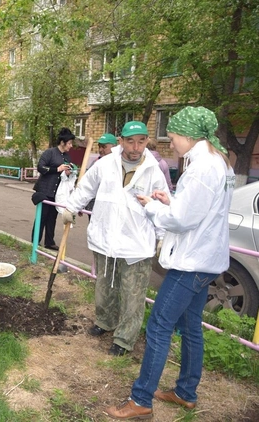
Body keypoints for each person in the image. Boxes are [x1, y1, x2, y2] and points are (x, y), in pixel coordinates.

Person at [104, 107, 235, 420]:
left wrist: (152, 207)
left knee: (159, 326)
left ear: (189, 135)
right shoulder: (217, 162)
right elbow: (196, 211)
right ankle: (185, 392)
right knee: (191, 327)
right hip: (205, 260)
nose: (170, 142)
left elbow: (180, 221)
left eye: (173, 136)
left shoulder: (203, 167)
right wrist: (170, 200)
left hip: (191, 263)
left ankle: (141, 400)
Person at [61, 121, 170, 356]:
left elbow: (162, 204)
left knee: (133, 295)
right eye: (130, 141)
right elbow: (86, 188)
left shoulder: (154, 170)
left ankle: (124, 338)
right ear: (120, 141)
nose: (135, 146)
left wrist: (162, 237)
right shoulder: (106, 163)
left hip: (136, 245)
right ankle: (105, 322)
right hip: (105, 238)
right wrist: (70, 207)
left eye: (141, 141)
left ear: (146, 142)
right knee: (104, 287)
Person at [31, 127, 75, 249]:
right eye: (69, 143)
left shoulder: (67, 157)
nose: (71, 146)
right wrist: (57, 169)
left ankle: (49, 242)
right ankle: (35, 241)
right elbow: (41, 167)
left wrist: (68, 172)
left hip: (57, 193)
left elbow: (65, 173)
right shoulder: (50, 153)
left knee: (52, 218)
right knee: (42, 216)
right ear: (62, 142)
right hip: (45, 190)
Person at [84, 133, 119, 217]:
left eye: (104, 147)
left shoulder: (119, 163)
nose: (100, 150)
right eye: (99, 146)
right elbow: (87, 185)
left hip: (112, 205)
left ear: (114, 147)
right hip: (94, 203)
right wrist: (82, 204)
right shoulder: (96, 163)